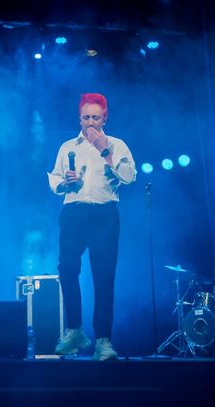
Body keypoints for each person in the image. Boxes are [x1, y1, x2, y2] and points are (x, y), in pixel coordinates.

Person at [47, 93, 136, 361]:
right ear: (79, 119)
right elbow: (54, 179)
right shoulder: (67, 146)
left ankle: (103, 340)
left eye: (95, 117)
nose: (90, 122)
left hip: (104, 214)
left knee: (103, 276)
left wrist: (104, 150)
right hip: (73, 212)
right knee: (67, 269)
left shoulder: (117, 144)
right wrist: (66, 183)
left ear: (104, 118)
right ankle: (75, 330)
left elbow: (129, 176)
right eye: (86, 117)